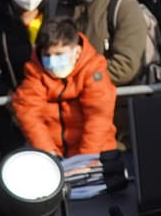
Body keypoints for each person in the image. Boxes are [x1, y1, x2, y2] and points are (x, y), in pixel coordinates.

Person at [10, 17, 118, 158]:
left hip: (97, 155)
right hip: (54, 157)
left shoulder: (93, 70)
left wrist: (86, 159)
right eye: (47, 55)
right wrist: (48, 152)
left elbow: (98, 118)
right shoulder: (36, 72)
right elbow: (28, 113)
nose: (52, 61)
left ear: (77, 52)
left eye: (59, 54)